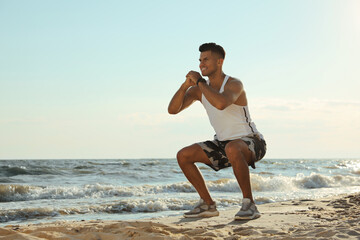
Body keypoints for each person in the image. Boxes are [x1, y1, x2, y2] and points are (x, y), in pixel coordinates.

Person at [168, 43, 266, 220]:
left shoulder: (234, 84)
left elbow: (221, 104)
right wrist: (185, 87)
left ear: (219, 62)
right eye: (200, 60)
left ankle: (249, 204)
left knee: (233, 148)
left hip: (252, 142)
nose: (201, 64)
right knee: (183, 155)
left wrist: (199, 82)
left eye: (206, 59)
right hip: (224, 144)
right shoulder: (199, 90)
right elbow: (173, 110)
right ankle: (208, 204)